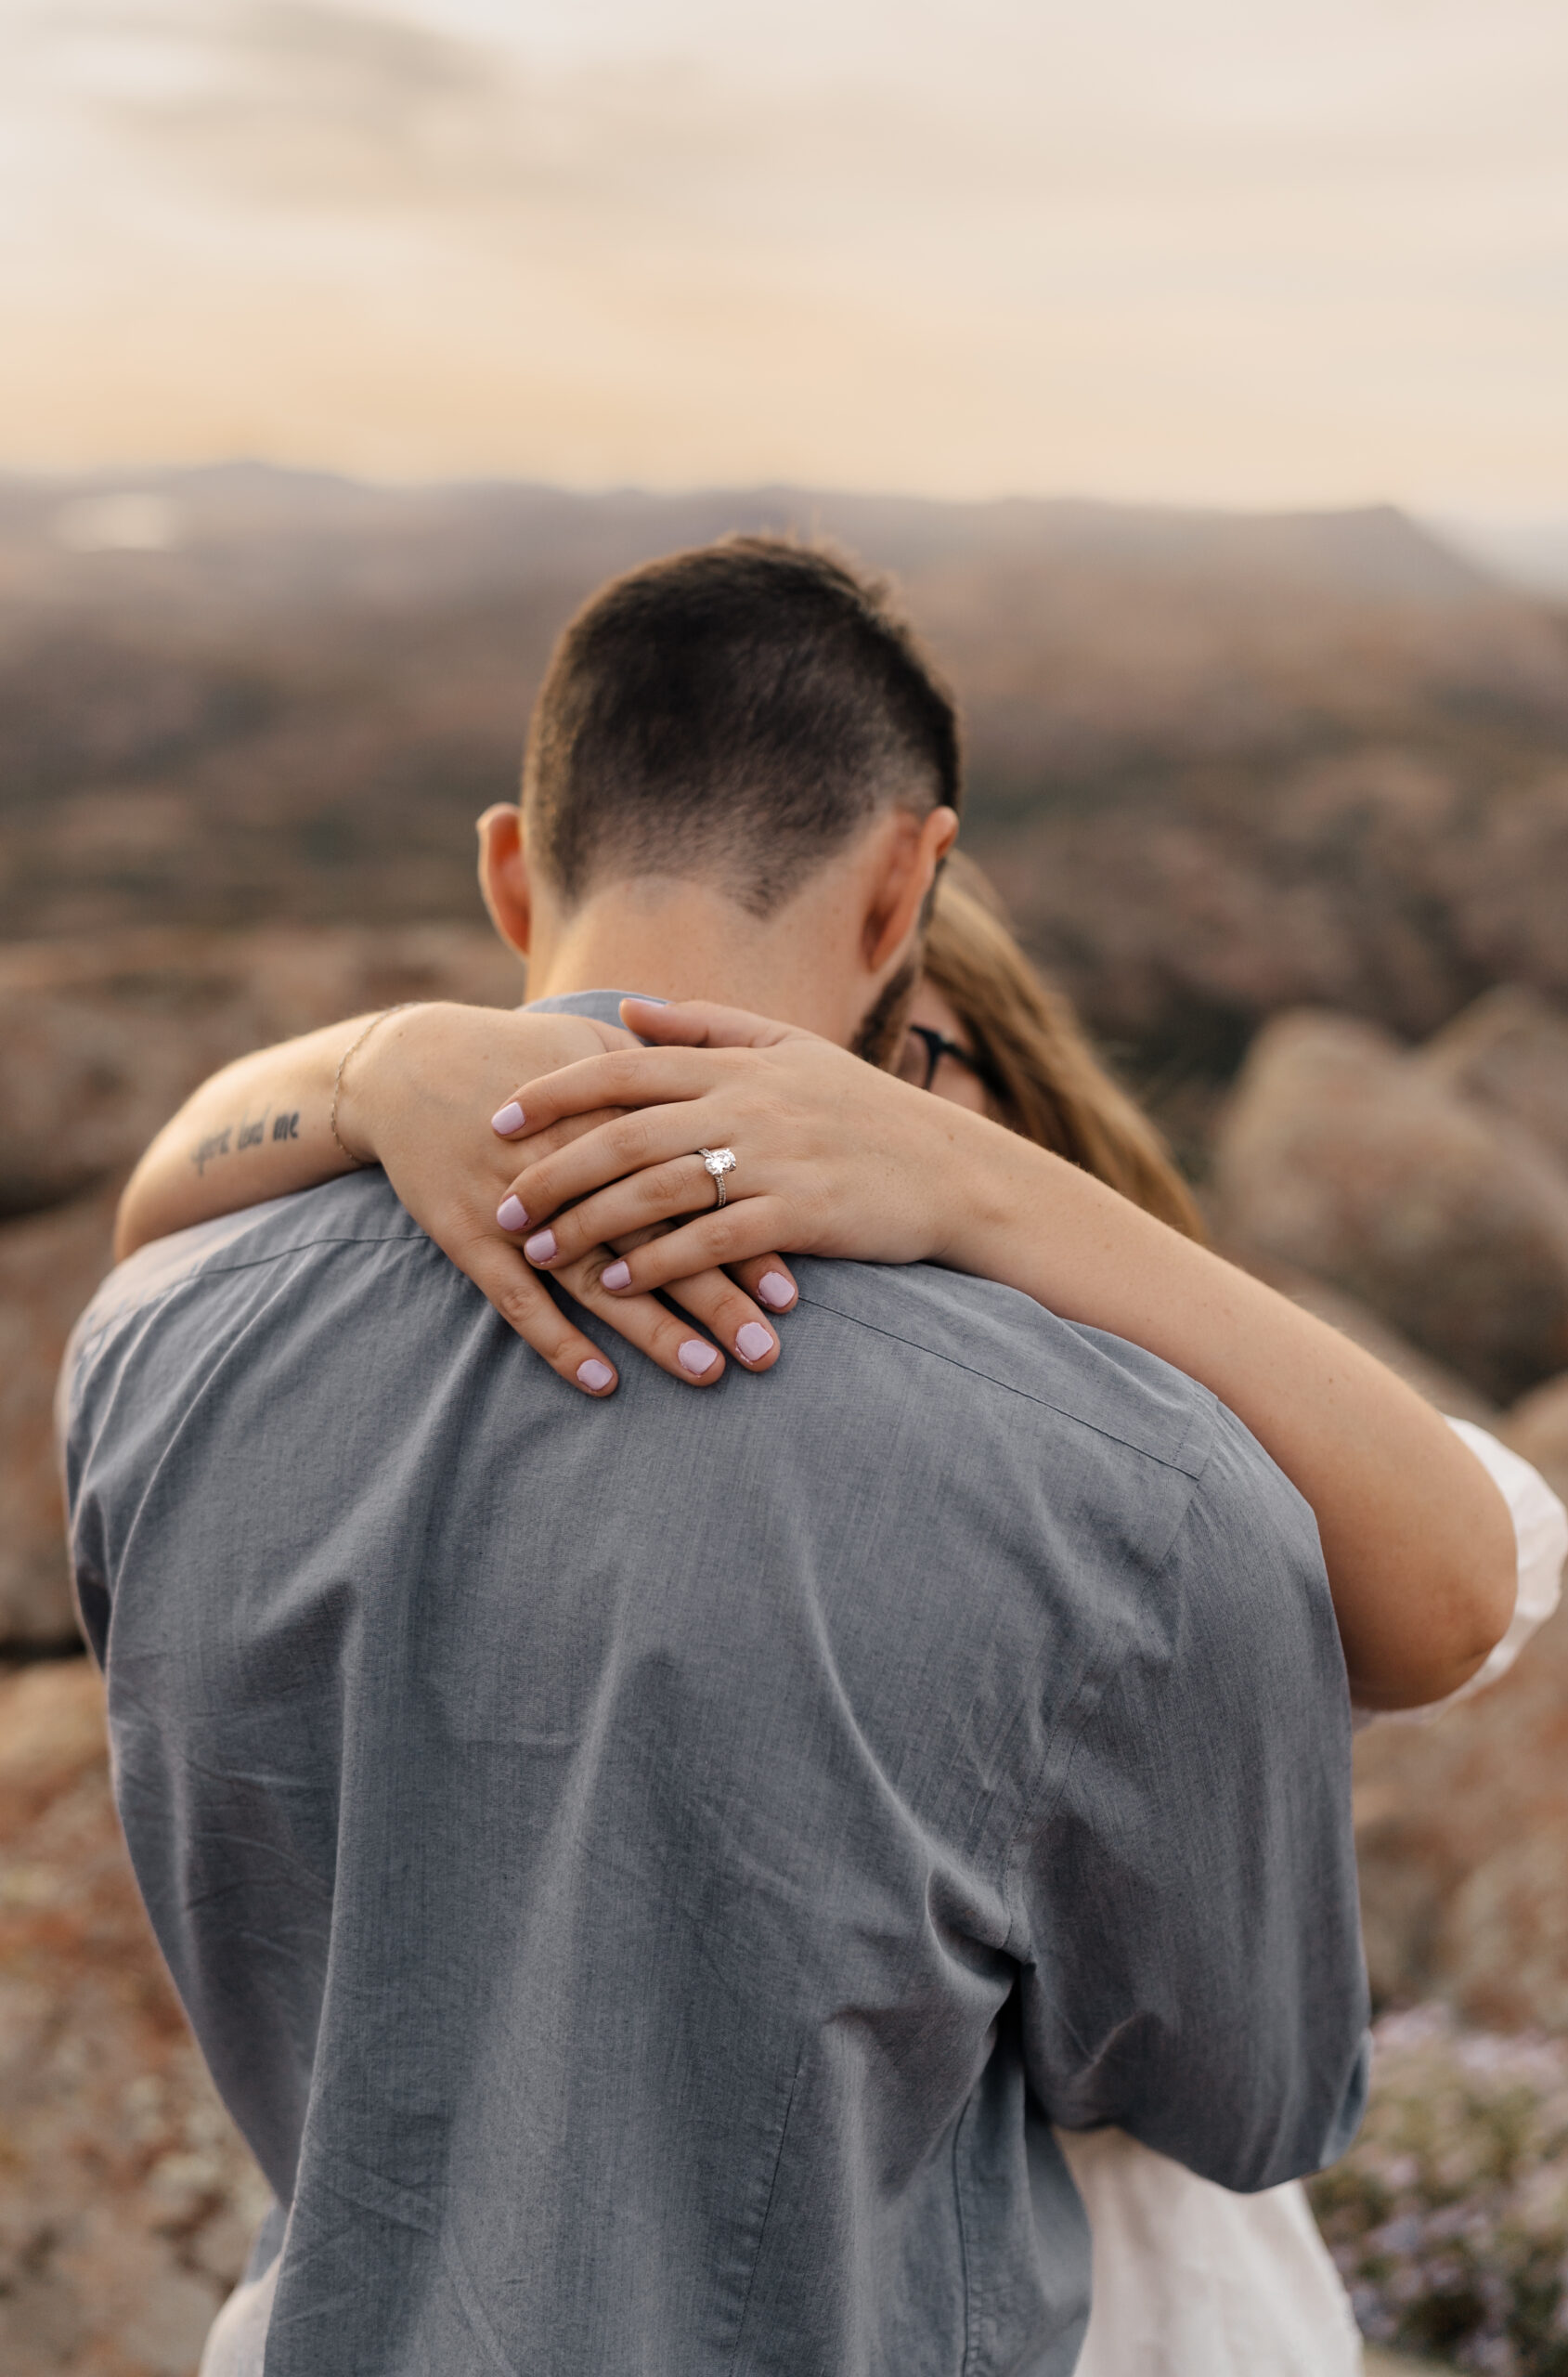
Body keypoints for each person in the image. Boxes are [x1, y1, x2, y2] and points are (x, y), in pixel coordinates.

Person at [62, 538, 1482, 2376]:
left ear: (511, 868)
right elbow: (1252, 2102)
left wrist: (356, 1070)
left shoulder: (151, 1340)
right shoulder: (1133, 1479)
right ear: (904, 887)